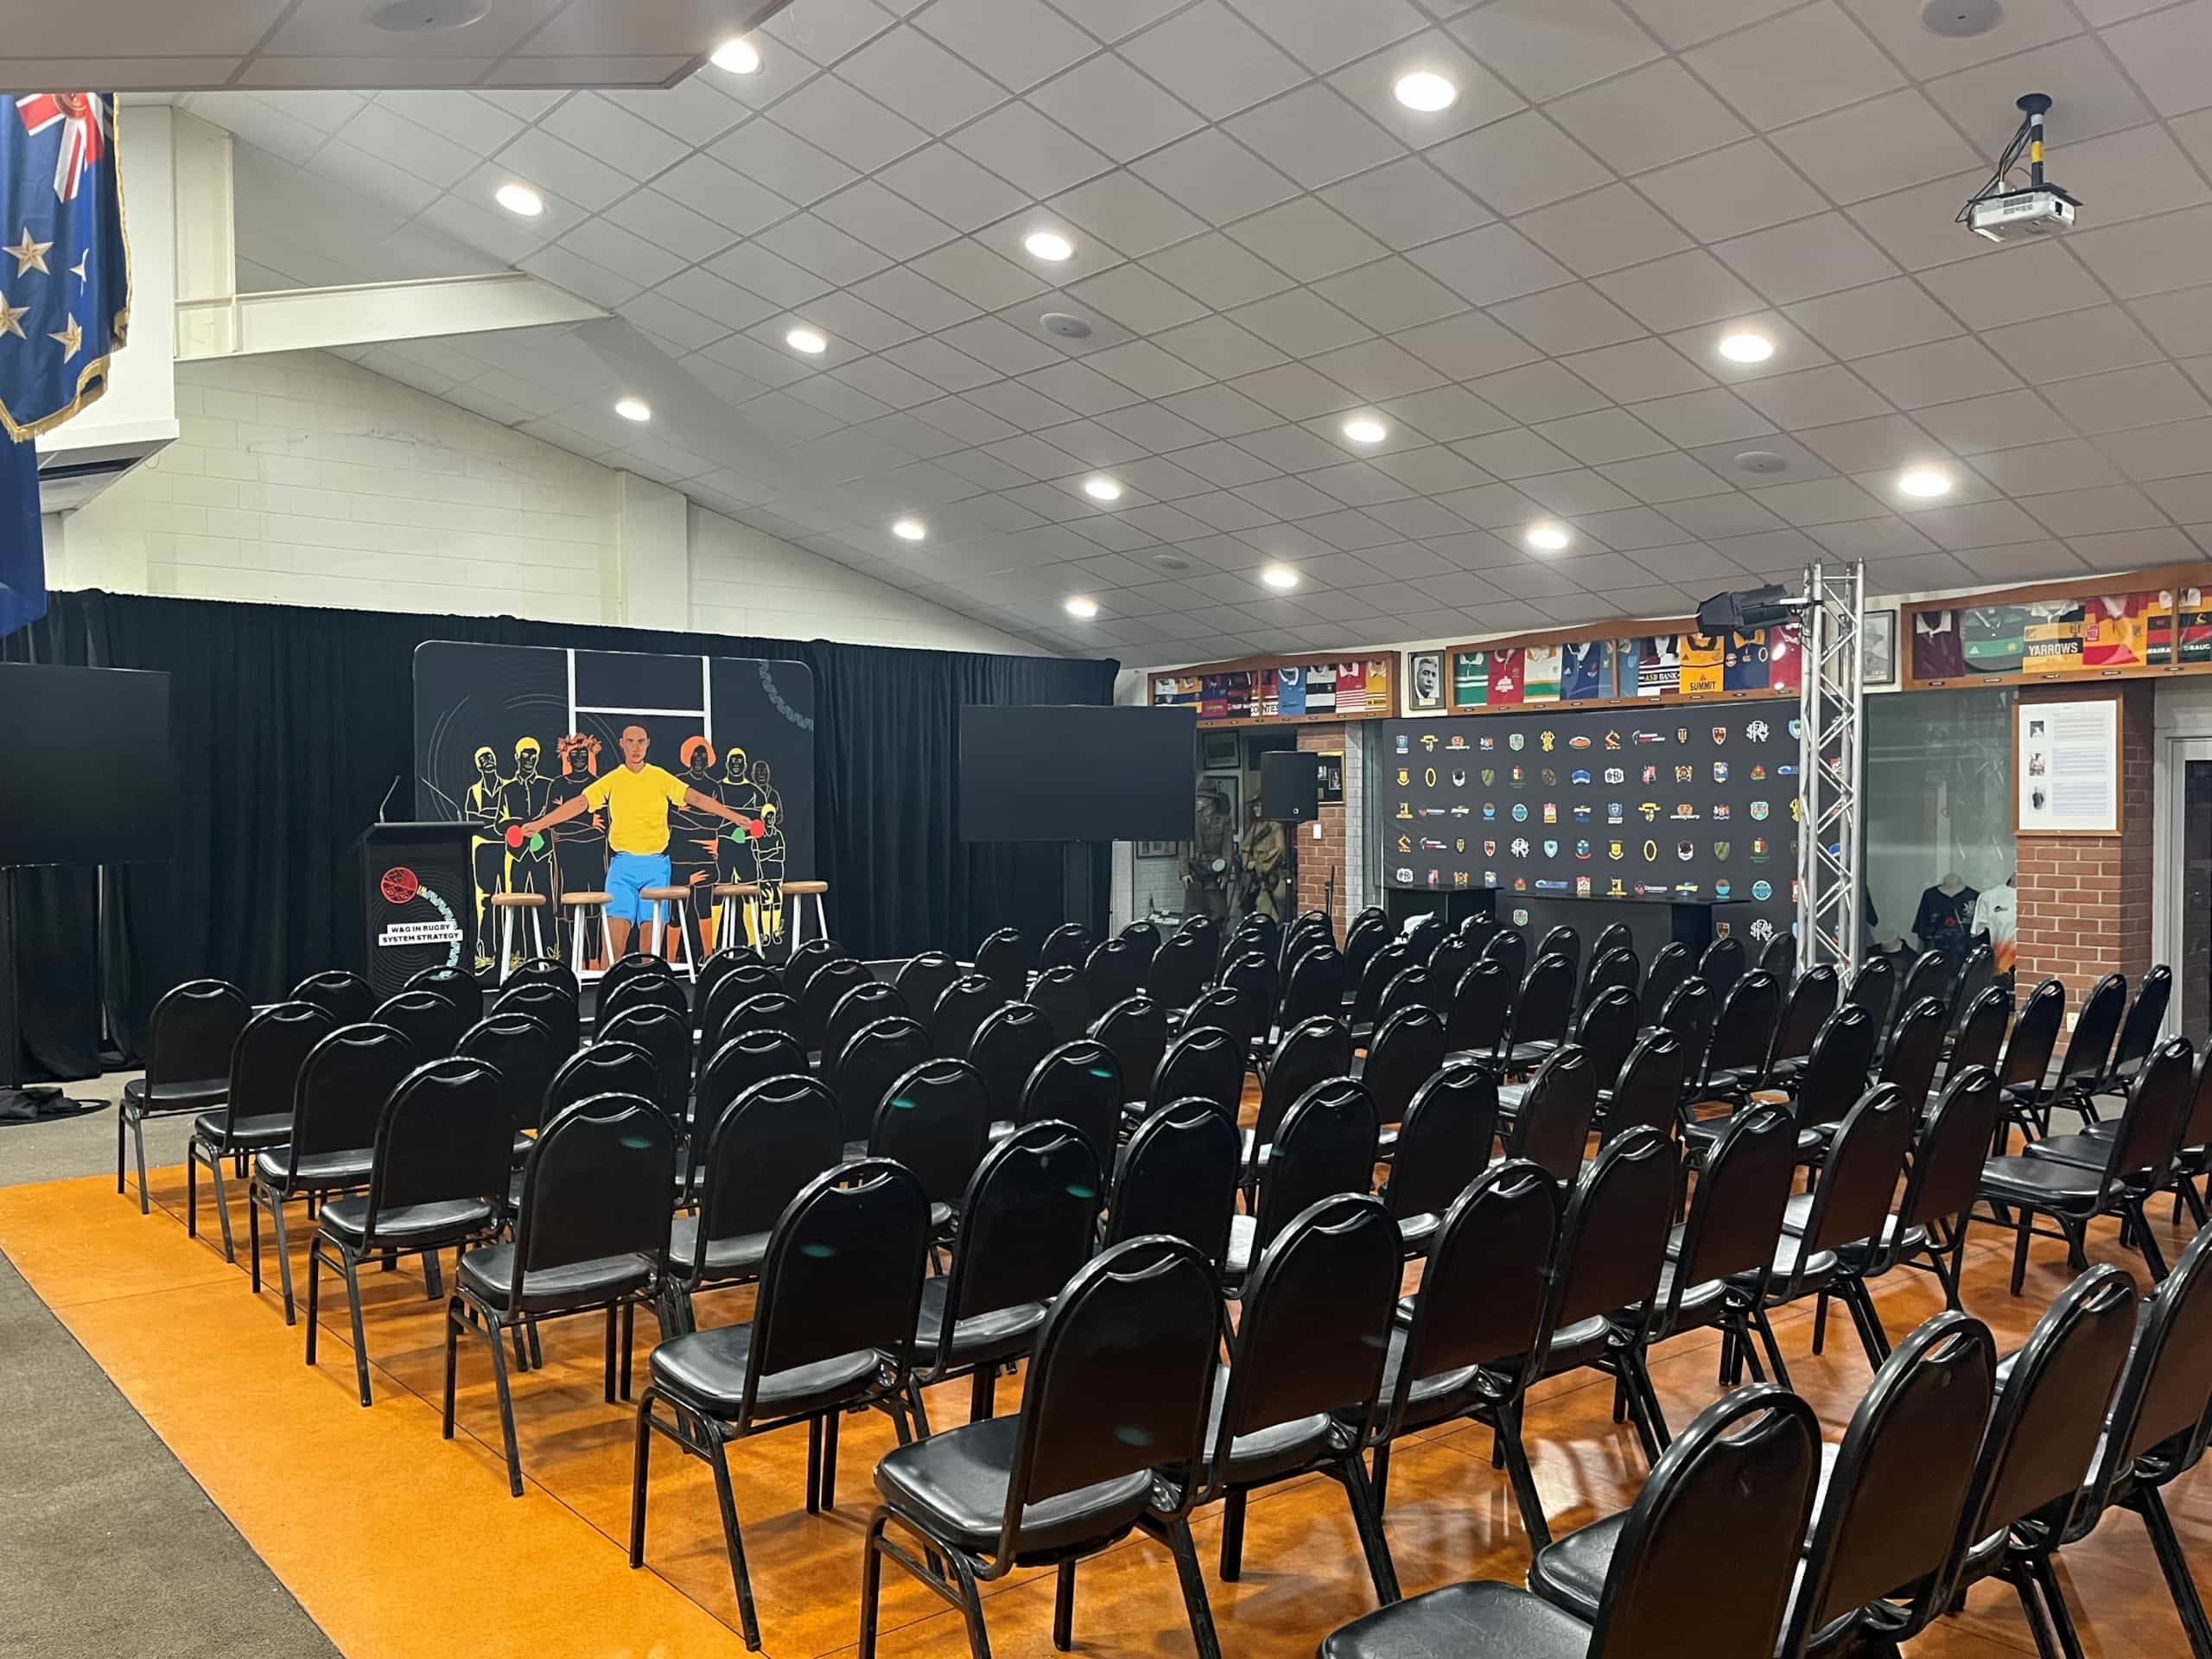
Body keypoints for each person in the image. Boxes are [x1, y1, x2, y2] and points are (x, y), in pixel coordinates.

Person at [517, 725, 752, 960]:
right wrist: (540, 824)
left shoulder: (660, 777)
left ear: (647, 744)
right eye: (630, 741)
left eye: (640, 741)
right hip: (622, 869)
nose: (636, 747)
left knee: (650, 956)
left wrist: (736, 817)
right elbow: (580, 804)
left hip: (656, 869)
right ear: (622, 744)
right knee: (612, 954)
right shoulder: (613, 779)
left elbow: (697, 798)